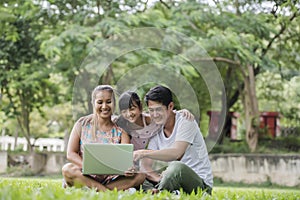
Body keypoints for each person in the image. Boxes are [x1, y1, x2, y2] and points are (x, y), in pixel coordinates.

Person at [61, 85, 145, 191]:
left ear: (114, 103)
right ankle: (105, 191)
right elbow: (71, 153)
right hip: (86, 175)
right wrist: (88, 168)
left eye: (108, 102)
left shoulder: (121, 131)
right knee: (67, 169)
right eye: (100, 102)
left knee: (140, 176)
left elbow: (126, 161)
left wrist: (129, 169)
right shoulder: (82, 124)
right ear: (93, 103)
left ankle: (95, 190)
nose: (104, 106)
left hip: (112, 179)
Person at [133, 85, 213, 195]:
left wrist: (143, 152)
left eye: (159, 110)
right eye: (151, 110)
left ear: (170, 106)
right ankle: (161, 191)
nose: (155, 115)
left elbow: (176, 153)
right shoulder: (156, 128)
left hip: (200, 185)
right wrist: (159, 179)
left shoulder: (185, 120)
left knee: (176, 167)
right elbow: (145, 166)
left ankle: (159, 193)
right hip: (172, 181)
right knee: (137, 175)